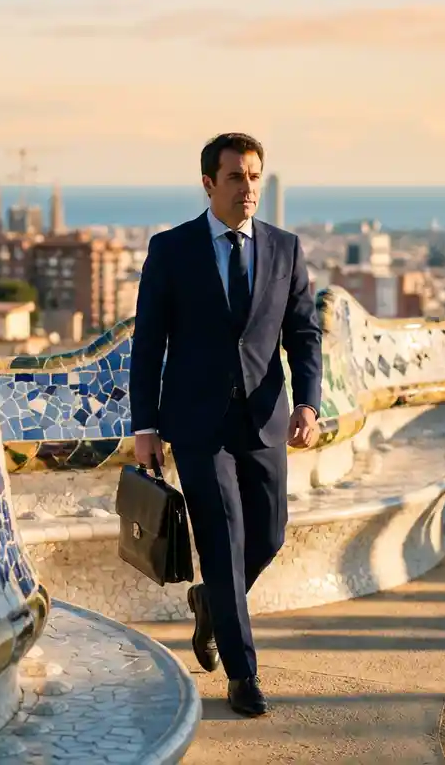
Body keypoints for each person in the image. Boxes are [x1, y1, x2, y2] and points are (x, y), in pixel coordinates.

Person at [129, 132, 322, 717]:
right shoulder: (171, 250)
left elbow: (304, 335)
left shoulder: (286, 250)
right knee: (224, 534)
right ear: (209, 183)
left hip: (265, 420)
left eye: (256, 177)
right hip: (196, 424)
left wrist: (308, 404)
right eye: (237, 177)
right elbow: (148, 345)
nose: (249, 189)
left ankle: (211, 602)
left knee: (269, 535)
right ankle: (243, 674)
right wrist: (146, 425)